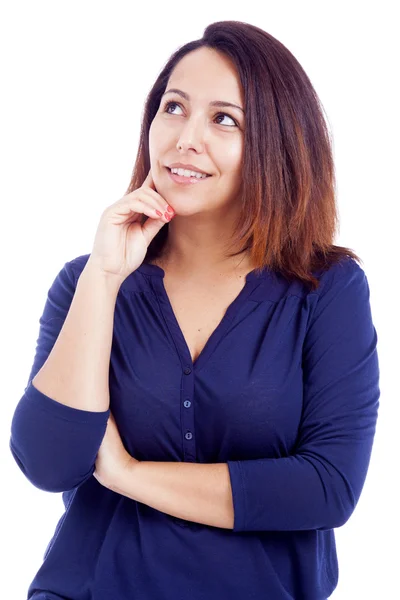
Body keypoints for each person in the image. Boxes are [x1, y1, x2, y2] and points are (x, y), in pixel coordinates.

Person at [9, 20, 380, 600]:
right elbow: (48, 464)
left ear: (276, 145)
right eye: (173, 107)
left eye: (224, 119)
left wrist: (127, 474)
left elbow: (328, 487)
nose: (185, 137)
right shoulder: (91, 282)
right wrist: (104, 277)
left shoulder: (326, 289)